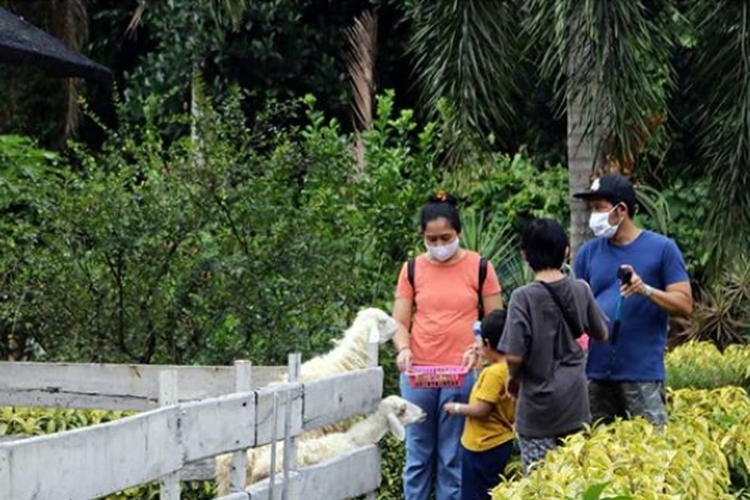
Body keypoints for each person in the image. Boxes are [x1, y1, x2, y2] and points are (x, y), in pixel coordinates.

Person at [392, 191, 504, 500]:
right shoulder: (412, 269)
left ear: (458, 233)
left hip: (462, 373)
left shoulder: (480, 267)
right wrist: (404, 349)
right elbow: (399, 322)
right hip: (418, 375)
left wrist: (479, 348)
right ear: (423, 237)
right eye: (432, 239)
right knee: (417, 456)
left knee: (452, 457)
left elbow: (496, 320)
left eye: (446, 237)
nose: (439, 245)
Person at [573, 174, 693, 427]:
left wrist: (645, 290)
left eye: (598, 208)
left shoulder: (662, 249)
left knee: (650, 453)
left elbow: (684, 305)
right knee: (595, 454)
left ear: (622, 210)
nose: (593, 216)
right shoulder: (587, 253)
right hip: (595, 374)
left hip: (642, 374)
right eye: (591, 209)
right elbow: (578, 309)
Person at [498, 218, 608, 474]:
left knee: (540, 483)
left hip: (537, 410)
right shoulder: (581, 289)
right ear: (566, 251)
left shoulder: (522, 297)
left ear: (524, 255)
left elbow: (514, 355)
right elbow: (601, 333)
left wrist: (513, 379)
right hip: (575, 405)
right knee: (574, 480)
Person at [444, 310, 516, 500]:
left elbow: (482, 409)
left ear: (488, 344)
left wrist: (456, 408)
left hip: (483, 445)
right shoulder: (510, 367)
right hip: (501, 440)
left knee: (475, 494)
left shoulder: (494, 373)